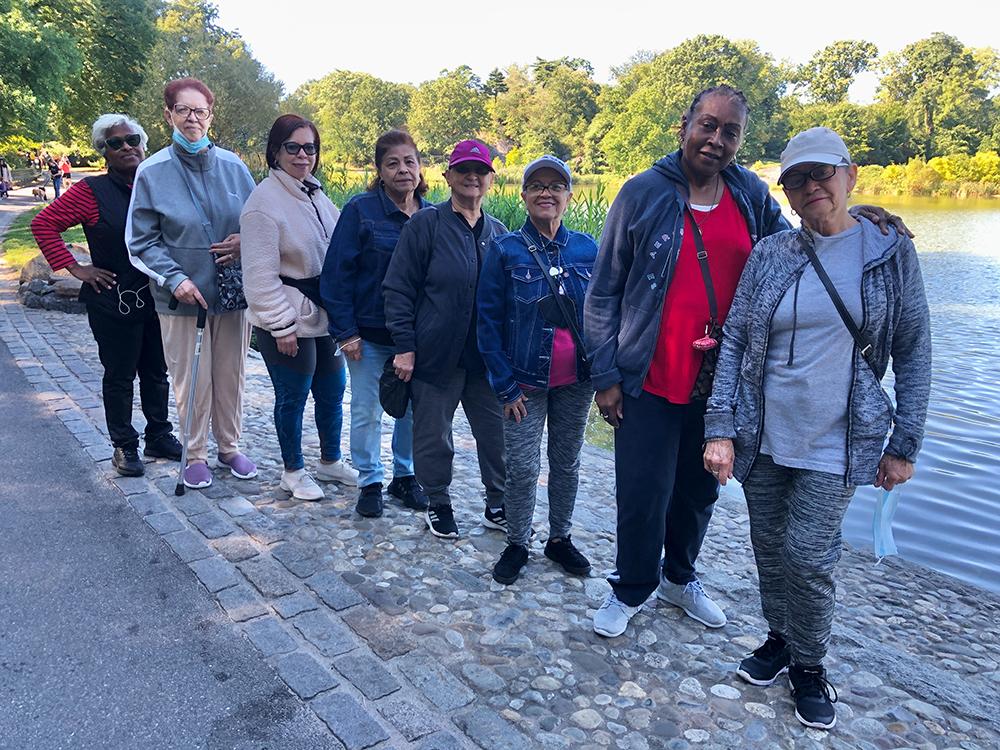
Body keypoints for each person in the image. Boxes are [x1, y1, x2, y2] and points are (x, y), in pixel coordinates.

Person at [584, 85, 905, 639]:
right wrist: (606, 375)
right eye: (707, 125)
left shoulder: (751, 195)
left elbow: (804, 248)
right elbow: (603, 290)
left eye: (729, 131)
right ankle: (632, 585)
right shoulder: (642, 194)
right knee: (643, 490)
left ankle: (679, 578)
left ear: (740, 141)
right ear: (685, 124)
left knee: (699, 489)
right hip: (649, 376)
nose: (716, 139)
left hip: (723, 383)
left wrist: (858, 220)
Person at [703, 127, 930, 730]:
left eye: (822, 173)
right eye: (797, 179)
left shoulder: (887, 250)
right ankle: (780, 638)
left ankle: (809, 663)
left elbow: (913, 348)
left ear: (850, 174)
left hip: (839, 436)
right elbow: (734, 347)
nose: (811, 187)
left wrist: (905, 442)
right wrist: (720, 428)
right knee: (771, 550)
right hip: (764, 433)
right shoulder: (773, 254)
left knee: (809, 556)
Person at [30, 114, 181, 476]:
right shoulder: (90, 192)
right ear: (105, 152)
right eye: (116, 143)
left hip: (158, 298)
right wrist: (76, 268)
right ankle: (124, 445)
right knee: (120, 374)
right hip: (114, 299)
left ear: (143, 145)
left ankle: (159, 434)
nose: (127, 147)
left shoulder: (158, 183)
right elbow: (43, 223)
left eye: (132, 140)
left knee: (157, 371)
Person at [127, 77, 257, 490]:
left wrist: (245, 239)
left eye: (200, 111)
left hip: (232, 293)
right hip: (182, 296)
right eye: (183, 110)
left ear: (210, 116)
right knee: (192, 378)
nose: (192, 118)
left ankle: (229, 446)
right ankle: (195, 452)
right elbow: (141, 240)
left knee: (231, 373)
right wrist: (175, 277)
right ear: (168, 115)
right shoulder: (152, 171)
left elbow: (258, 223)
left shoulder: (235, 167)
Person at [477, 155, 596, 584]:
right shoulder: (505, 250)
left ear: (568, 195)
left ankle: (559, 538)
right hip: (524, 383)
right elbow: (487, 323)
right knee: (523, 467)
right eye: (538, 186)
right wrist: (505, 387)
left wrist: (606, 376)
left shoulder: (587, 248)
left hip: (576, 384)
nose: (547, 193)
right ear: (524, 195)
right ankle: (517, 541)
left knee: (567, 463)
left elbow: (601, 316)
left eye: (556, 186)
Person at [383, 139, 507, 539]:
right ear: (448, 175)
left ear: (490, 179)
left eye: (481, 171)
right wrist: (404, 346)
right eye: (464, 169)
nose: (473, 176)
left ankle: (497, 503)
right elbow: (398, 288)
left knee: (495, 436)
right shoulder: (426, 225)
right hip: (435, 355)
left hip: (486, 359)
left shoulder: (499, 234)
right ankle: (438, 501)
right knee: (434, 435)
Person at [240, 114, 357, 501]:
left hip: (322, 313)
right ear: (276, 151)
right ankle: (292, 470)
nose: (303, 155)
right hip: (289, 316)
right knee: (293, 395)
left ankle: (329, 460)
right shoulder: (263, 203)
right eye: (293, 147)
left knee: (332, 389)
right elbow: (259, 274)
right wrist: (280, 324)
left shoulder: (315, 195)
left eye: (310, 147)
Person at [321, 130, 430, 517]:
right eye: (393, 163)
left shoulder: (433, 216)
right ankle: (369, 480)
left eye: (409, 162)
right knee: (367, 410)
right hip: (368, 335)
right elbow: (336, 275)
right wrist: (345, 331)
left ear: (420, 168)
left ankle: (406, 476)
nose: (403, 170)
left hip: (417, 340)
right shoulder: (361, 210)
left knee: (412, 410)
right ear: (379, 171)